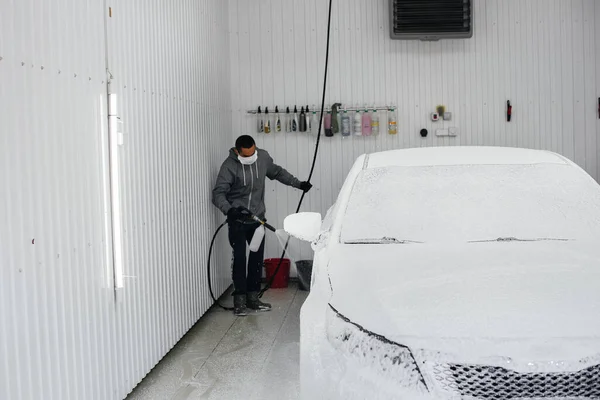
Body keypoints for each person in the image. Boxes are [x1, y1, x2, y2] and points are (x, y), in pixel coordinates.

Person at [212, 135, 312, 316]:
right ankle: (239, 300)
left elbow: (278, 172)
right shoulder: (229, 166)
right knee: (240, 259)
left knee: (256, 260)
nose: (250, 157)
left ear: (255, 148)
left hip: (257, 220)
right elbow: (218, 193)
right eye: (246, 155)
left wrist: (298, 184)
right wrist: (229, 210)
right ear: (237, 151)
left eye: (252, 153)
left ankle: (253, 298)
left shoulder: (262, 157)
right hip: (238, 221)